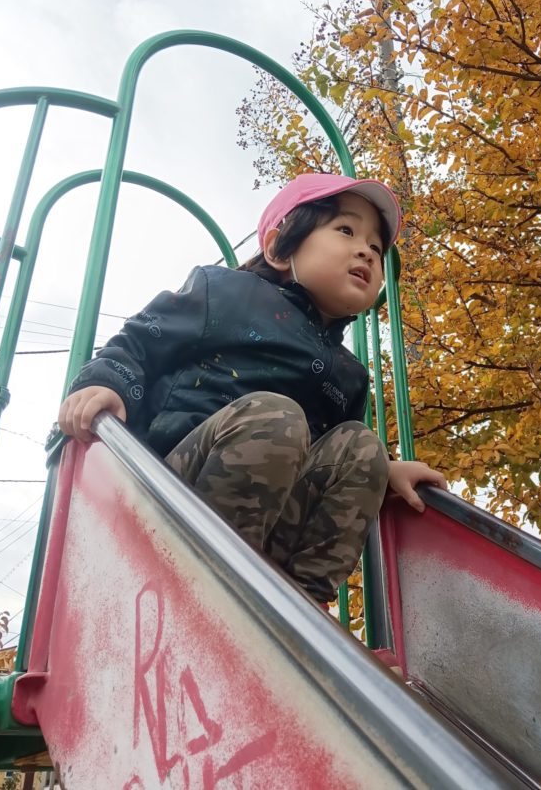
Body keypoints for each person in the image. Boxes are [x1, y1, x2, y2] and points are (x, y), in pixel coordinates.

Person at [58, 173, 446, 603]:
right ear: (279, 248)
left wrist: (386, 470)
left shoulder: (350, 374)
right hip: (170, 501)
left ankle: (300, 608)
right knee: (276, 418)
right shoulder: (225, 293)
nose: (366, 251)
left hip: (268, 537)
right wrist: (107, 382)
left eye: (376, 247)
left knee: (362, 445)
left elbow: (334, 457)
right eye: (345, 230)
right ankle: (213, 587)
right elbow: (140, 343)